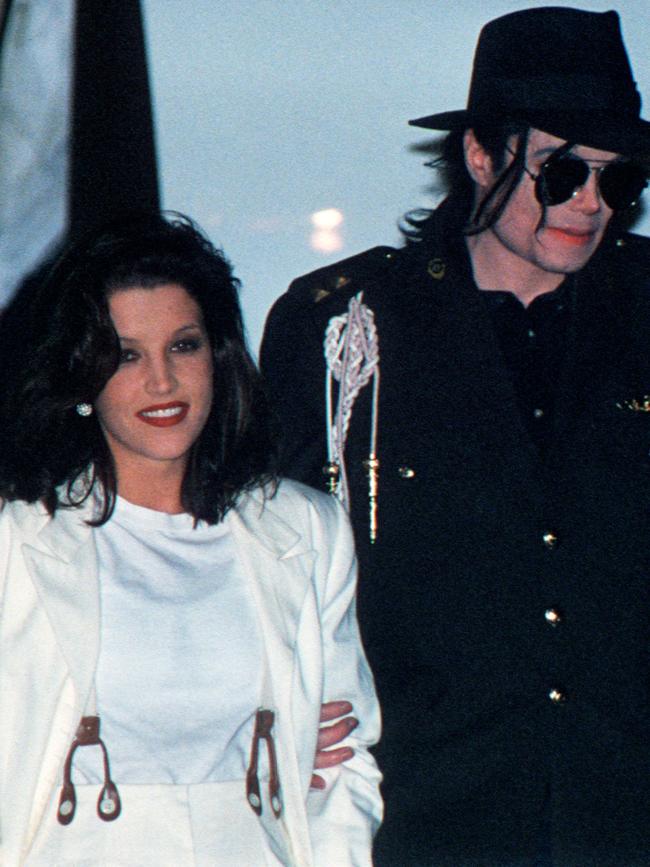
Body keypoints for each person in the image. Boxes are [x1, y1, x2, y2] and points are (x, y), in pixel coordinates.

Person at [260, 8, 650, 866]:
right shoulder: (345, 328)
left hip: (622, 810)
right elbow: (272, 555)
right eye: (562, 172)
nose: (590, 203)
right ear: (481, 154)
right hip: (429, 817)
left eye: (618, 181)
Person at [0, 213, 382, 866]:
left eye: (183, 345)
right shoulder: (17, 537)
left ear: (219, 355)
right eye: (125, 355)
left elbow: (343, 765)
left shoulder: (303, 531)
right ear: (83, 376)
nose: (162, 382)